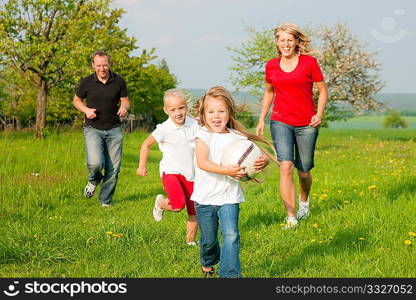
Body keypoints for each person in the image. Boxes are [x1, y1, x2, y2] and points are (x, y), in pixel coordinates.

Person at [192, 86, 276, 278]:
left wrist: (263, 161)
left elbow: (257, 156)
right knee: (209, 240)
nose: (216, 116)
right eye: (211, 111)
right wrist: (227, 170)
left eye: (221, 111)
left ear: (229, 112)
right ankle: (208, 261)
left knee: (231, 235)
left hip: (229, 196)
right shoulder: (202, 135)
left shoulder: (237, 137)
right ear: (204, 114)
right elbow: (203, 162)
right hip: (205, 198)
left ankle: (229, 275)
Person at [255, 23, 329, 228]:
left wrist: (318, 114)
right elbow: (269, 91)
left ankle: (304, 202)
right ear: (277, 43)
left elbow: (323, 90)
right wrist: (262, 118)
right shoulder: (271, 65)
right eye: (282, 40)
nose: (285, 44)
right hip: (280, 121)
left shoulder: (309, 63)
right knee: (285, 166)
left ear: (296, 42)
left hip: (307, 123)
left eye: (290, 40)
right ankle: (291, 218)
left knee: (303, 171)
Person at [137, 89, 199, 246]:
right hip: (170, 171)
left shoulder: (194, 125)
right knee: (178, 205)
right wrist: (142, 165)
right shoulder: (164, 129)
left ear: (186, 107)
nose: (178, 113)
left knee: (194, 211)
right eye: (173, 110)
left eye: (181, 108)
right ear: (166, 110)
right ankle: (160, 203)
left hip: (191, 174)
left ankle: (190, 242)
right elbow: (146, 144)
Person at [73, 51, 129, 207]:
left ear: (109, 64)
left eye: (104, 65)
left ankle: (105, 200)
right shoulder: (86, 82)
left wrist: (124, 107)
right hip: (93, 128)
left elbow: (124, 100)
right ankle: (94, 179)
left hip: (114, 129)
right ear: (93, 65)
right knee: (96, 163)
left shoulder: (119, 81)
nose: (102, 69)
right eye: (98, 65)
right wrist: (86, 110)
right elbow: (76, 100)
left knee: (114, 168)